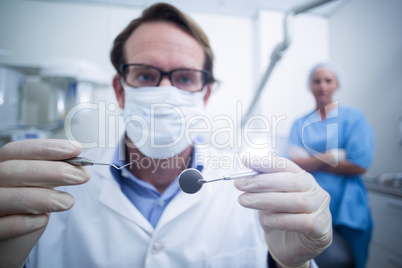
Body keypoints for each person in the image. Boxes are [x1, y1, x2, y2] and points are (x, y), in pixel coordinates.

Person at [0, 3, 332, 268]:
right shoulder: (56, 187)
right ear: (120, 89)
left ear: (204, 94)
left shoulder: (252, 190)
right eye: (146, 75)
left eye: (185, 78)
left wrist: (289, 266)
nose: (165, 91)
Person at [287, 63, 374, 268]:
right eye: (317, 81)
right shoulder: (300, 123)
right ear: (310, 85)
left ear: (337, 85)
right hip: (309, 205)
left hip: (348, 207)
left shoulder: (353, 118)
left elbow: (359, 164)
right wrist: (332, 156)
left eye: (328, 80)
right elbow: (293, 164)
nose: (322, 86)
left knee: (352, 260)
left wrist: (310, 160)